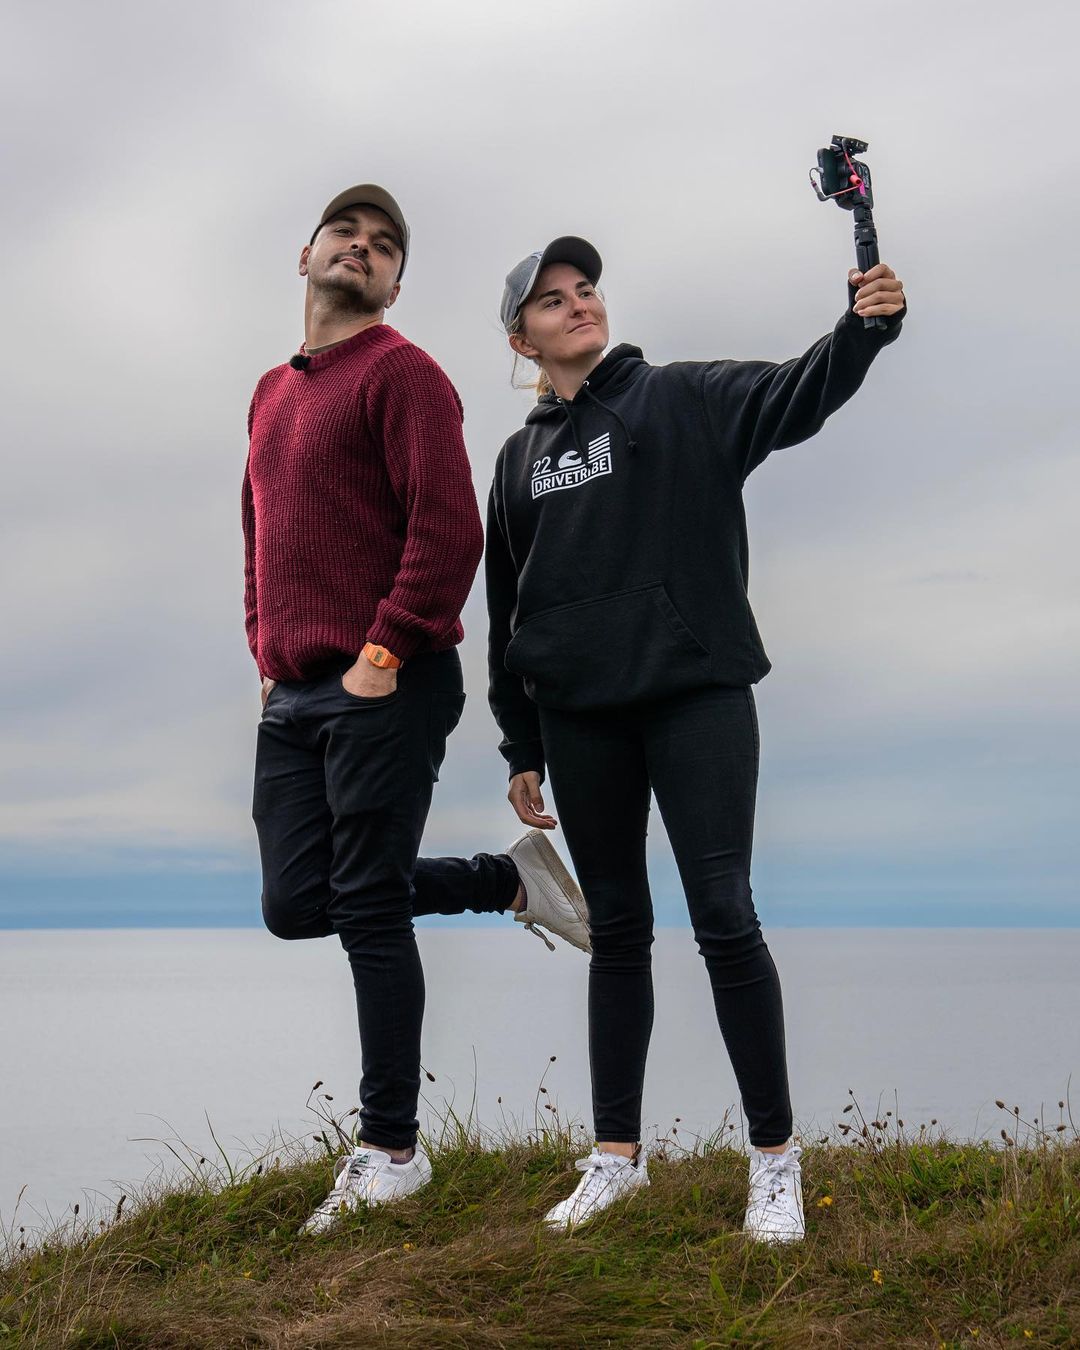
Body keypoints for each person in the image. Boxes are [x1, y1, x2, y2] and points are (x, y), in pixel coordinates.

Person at [486, 236, 906, 1241]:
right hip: (580, 716)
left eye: (586, 288)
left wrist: (863, 329)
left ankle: (774, 1161)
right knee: (617, 930)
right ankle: (615, 1159)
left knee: (724, 914)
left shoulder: (682, 396)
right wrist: (520, 743)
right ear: (522, 339)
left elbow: (798, 391)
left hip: (696, 696)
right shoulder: (516, 460)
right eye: (552, 299)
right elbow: (506, 607)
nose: (579, 303)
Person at [242, 186, 589, 1234]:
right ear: (305, 254)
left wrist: (382, 652)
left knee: (364, 908)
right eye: (347, 233)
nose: (363, 248)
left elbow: (449, 533)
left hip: (387, 676)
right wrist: (265, 653)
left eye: (385, 246)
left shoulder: (404, 375)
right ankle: (501, 880)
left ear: (394, 285)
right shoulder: (271, 392)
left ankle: (393, 1150)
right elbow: (259, 530)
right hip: (296, 688)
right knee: (299, 902)